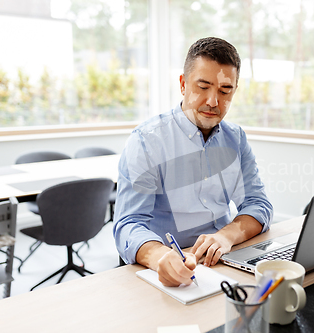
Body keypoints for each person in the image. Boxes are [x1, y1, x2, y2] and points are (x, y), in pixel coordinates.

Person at [113, 37, 273, 287]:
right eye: (203, 86)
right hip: (167, 266)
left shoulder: (236, 139)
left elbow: (258, 204)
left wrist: (225, 237)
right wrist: (160, 257)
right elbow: (128, 225)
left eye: (224, 91)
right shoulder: (147, 141)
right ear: (183, 84)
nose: (213, 101)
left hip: (222, 261)